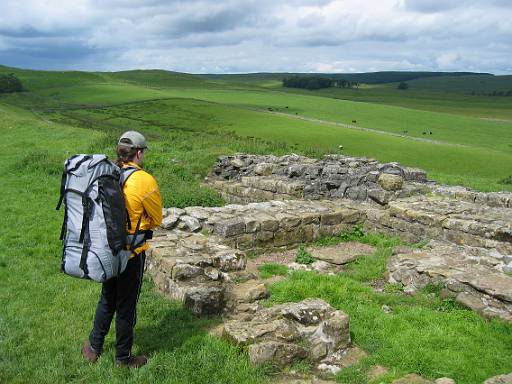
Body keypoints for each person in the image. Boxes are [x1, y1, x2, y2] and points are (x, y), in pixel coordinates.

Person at [82, 131, 162, 368]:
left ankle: (94, 347)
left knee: (107, 298)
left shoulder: (108, 173)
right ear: (139, 153)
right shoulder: (145, 181)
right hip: (132, 254)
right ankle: (123, 357)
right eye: (143, 152)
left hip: (108, 248)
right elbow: (156, 219)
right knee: (126, 305)